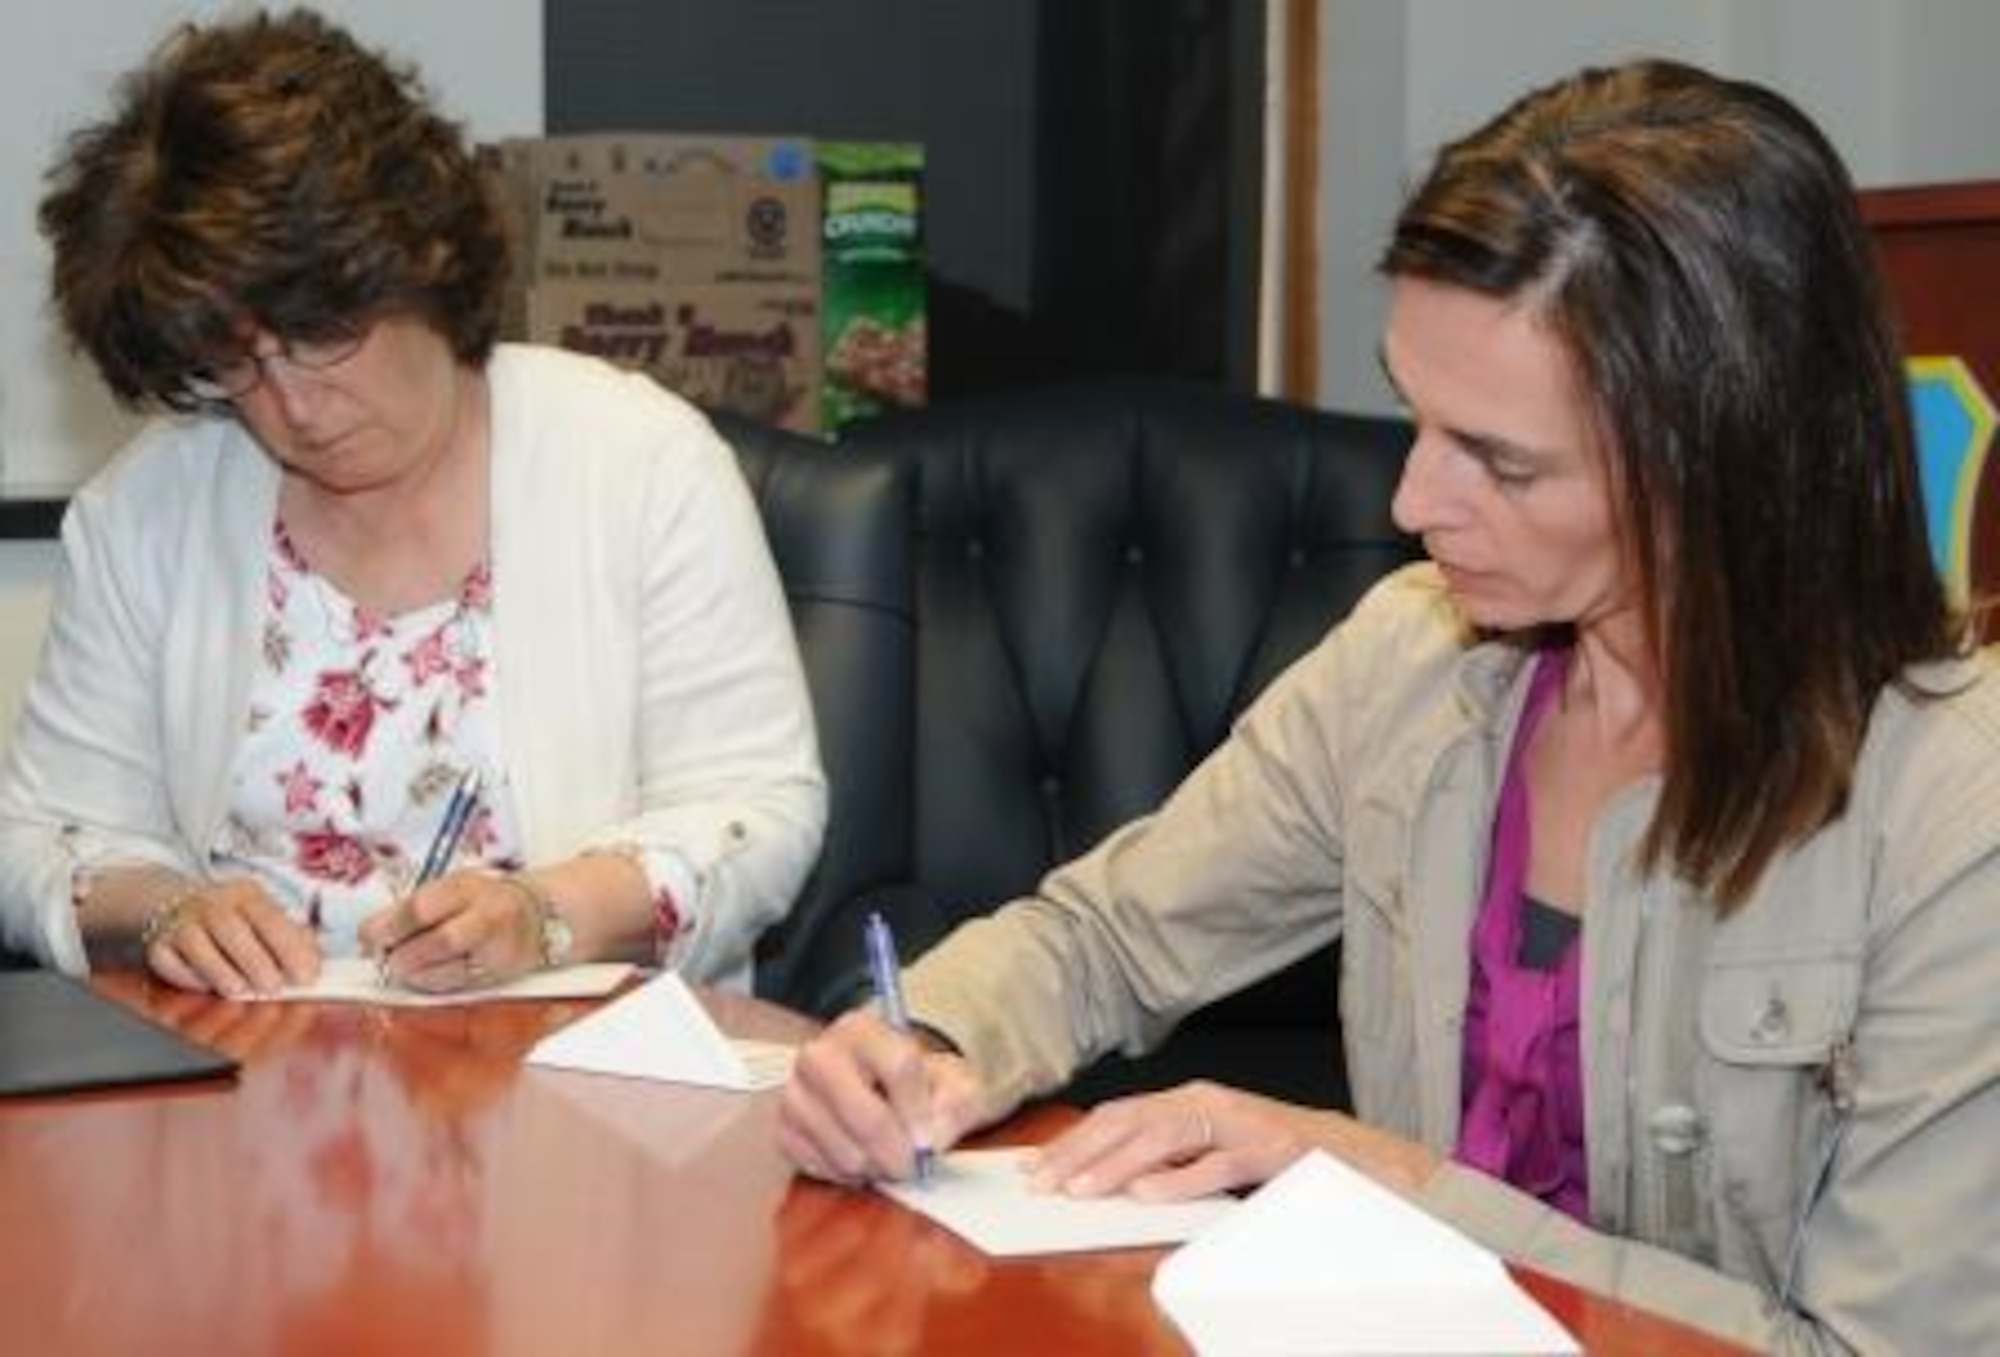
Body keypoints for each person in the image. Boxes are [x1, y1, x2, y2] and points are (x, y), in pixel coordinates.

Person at [777, 58, 2000, 1352]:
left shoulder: (1949, 813)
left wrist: (1398, 1188)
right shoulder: (1412, 664)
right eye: (1416, 420)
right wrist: (914, 1040)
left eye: (1500, 460)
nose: (1413, 503)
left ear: (1729, 458)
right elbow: (1108, 942)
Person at [0, 9, 826, 997]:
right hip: (242, 1083)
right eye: (231, 363)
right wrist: (169, 908)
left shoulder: (640, 466)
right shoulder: (147, 512)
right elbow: (38, 838)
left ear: (418, 251)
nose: (292, 404)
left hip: (575, 1077)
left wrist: (547, 912)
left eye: (317, 332)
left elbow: (756, 809)